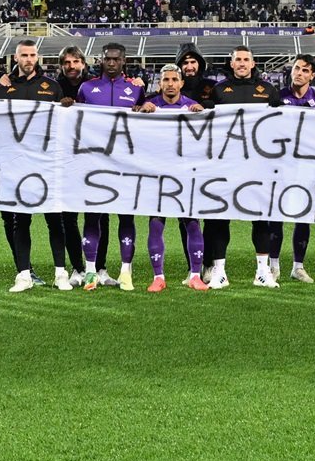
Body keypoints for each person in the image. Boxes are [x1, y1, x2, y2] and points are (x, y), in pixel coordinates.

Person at [0, 39, 69, 290]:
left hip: (48, 162)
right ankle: (24, 274)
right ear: (16, 58)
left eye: (32, 55)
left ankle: (61, 272)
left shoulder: (52, 86)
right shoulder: (3, 87)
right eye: (24, 55)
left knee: (54, 219)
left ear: (37, 58)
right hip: (17, 164)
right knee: (21, 220)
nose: (28, 59)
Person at [76, 42, 144, 290]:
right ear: (101, 61)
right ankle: (91, 271)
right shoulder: (87, 88)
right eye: (107, 59)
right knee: (92, 216)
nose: (112, 63)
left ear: (124, 61)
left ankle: (126, 271)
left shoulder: (135, 89)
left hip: (126, 164)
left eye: (116, 59)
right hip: (94, 164)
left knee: (126, 216)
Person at [212, 45, 280, 287]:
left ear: (252, 64)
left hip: (258, 164)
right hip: (226, 164)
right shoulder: (218, 90)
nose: (241, 63)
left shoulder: (268, 90)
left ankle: (262, 272)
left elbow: (283, 124)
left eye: (245, 60)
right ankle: (219, 271)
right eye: (237, 59)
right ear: (231, 64)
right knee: (221, 217)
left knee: (260, 217)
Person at [135, 65, 207, 291]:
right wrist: (140, 111)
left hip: (186, 176)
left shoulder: (191, 107)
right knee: (156, 226)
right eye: (165, 79)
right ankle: (158, 277)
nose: (170, 83)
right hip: (157, 176)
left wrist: (201, 115)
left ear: (181, 83)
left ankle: (195, 275)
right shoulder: (151, 105)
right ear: (160, 83)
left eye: (174, 79)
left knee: (193, 224)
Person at [277, 55, 315, 282]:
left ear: (312, 75)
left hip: (307, 167)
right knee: (274, 216)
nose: (299, 73)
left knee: (303, 216)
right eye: (296, 68)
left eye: (305, 70)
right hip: (278, 166)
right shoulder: (276, 97)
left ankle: (298, 266)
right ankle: (273, 265)